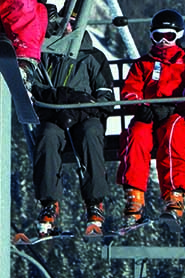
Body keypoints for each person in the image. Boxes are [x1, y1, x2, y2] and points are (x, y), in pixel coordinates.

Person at [117, 9, 185, 226]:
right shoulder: (144, 64)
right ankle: (135, 195)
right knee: (136, 134)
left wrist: (177, 108)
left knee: (172, 135)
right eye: (158, 36)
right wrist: (140, 107)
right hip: (149, 114)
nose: (164, 41)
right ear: (151, 37)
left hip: (177, 116)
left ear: (179, 35)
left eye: (169, 36)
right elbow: (130, 91)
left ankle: (174, 195)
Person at [23, 46, 116, 237]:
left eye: (73, 22)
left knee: (91, 133)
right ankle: (49, 204)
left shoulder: (92, 56)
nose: (68, 27)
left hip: (85, 117)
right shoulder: (46, 54)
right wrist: (58, 102)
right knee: (47, 135)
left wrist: (78, 106)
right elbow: (34, 91)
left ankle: (94, 202)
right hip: (55, 117)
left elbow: (105, 98)